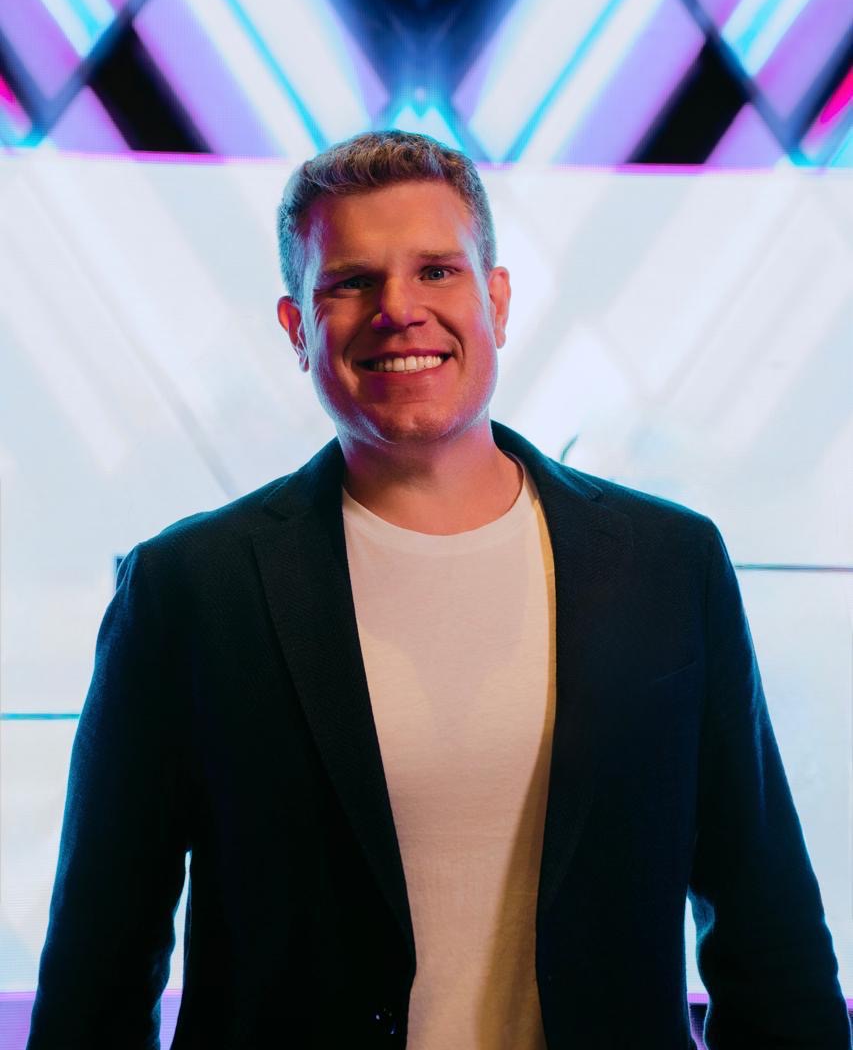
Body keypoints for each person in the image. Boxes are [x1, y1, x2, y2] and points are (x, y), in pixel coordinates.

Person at [28, 131, 849, 1049]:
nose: (398, 309)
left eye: (436, 272)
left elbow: (766, 930)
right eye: (351, 282)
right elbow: (100, 967)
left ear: (495, 301)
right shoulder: (187, 590)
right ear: (297, 329)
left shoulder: (668, 564)